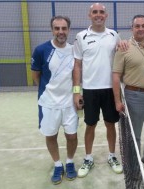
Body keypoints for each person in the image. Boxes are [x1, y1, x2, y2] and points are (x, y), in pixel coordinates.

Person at [72, 3, 123, 178]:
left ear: (106, 15)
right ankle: (88, 158)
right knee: (90, 125)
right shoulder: (81, 36)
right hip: (90, 90)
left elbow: (122, 57)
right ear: (89, 15)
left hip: (110, 89)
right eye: (95, 12)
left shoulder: (114, 35)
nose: (98, 15)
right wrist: (77, 91)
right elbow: (77, 65)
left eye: (101, 12)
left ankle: (112, 156)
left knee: (110, 124)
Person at [31, 16, 78, 184]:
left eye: (64, 28)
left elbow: (77, 76)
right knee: (51, 136)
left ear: (68, 30)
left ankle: (70, 162)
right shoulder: (41, 50)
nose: (60, 32)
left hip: (69, 103)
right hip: (48, 103)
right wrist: (48, 91)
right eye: (57, 28)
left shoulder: (74, 50)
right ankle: (58, 165)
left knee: (72, 136)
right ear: (52, 30)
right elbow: (36, 75)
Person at [112, 14, 144, 174]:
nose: (141, 29)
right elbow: (116, 75)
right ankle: (133, 165)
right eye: (137, 26)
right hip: (134, 96)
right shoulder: (124, 47)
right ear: (131, 28)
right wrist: (117, 100)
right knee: (135, 134)